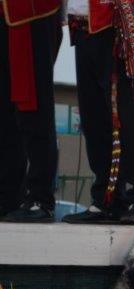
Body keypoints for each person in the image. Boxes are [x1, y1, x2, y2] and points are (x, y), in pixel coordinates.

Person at [62, 0, 134, 225]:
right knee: (94, 119)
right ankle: (107, 198)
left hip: (120, 23)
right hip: (83, 26)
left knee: (130, 115)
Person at [0, 0, 62, 223]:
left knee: (33, 105)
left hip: (32, 12)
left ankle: (40, 197)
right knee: (6, 115)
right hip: (7, 14)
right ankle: (8, 197)